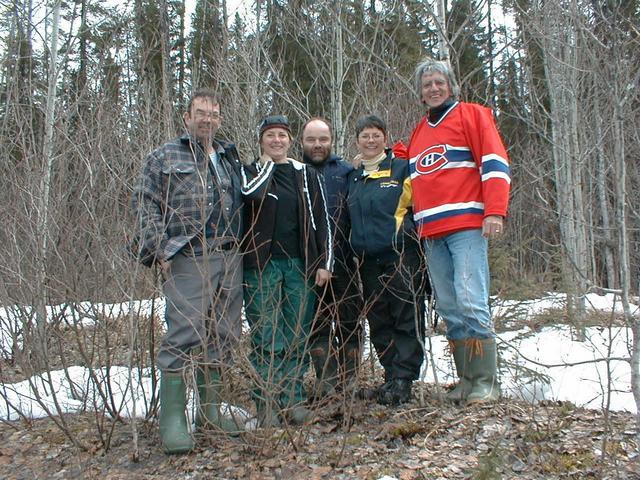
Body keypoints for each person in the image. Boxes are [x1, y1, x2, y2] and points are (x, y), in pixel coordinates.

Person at [130, 89, 245, 454]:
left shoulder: (229, 156)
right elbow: (144, 202)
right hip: (189, 255)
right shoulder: (165, 156)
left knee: (223, 334)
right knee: (183, 333)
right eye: (200, 113)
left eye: (212, 114)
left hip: (230, 255)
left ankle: (209, 414)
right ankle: (173, 422)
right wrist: (158, 248)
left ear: (219, 119)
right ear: (187, 117)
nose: (206, 119)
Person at [405, 58, 511, 404]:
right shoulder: (421, 130)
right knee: (449, 307)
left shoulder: (472, 115)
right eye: (427, 85)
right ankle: (466, 380)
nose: (433, 89)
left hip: (466, 225)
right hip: (431, 232)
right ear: (420, 94)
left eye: (439, 82)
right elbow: (410, 162)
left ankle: (486, 383)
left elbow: (495, 162)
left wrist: (495, 210)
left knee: (470, 300)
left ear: (450, 85)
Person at [241, 115, 332, 426]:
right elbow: (250, 195)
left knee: (296, 334)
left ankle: (292, 400)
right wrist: (267, 166)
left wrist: (324, 262)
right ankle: (266, 403)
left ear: (290, 140)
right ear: (261, 140)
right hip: (260, 266)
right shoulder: (249, 171)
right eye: (270, 136)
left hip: (299, 266)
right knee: (266, 337)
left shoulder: (304, 174)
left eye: (282, 135)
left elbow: (322, 221)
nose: (277, 140)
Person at [346, 115, 427, 406]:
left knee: (406, 318)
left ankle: (404, 379)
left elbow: (420, 204)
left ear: (385, 138)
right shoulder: (352, 177)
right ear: (357, 140)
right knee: (378, 320)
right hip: (367, 261)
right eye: (365, 136)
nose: (371, 140)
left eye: (376, 135)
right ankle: (390, 376)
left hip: (401, 257)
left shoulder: (402, 168)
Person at [301, 118, 363, 399]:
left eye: (322, 139)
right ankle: (326, 383)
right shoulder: (295, 172)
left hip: (345, 260)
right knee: (317, 324)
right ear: (302, 142)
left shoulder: (347, 172)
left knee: (350, 322)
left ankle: (349, 381)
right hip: (309, 266)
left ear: (331, 141)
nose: (317, 145)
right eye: (311, 140)